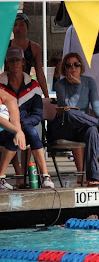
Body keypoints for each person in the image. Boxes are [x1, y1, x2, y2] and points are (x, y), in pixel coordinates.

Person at [49, 53, 99, 186]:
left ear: (81, 66)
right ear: (65, 69)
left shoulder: (89, 82)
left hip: (83, 126)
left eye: (76, 64)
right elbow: (67, 106)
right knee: (70, 113)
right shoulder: (60, 84)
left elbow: (95, 105)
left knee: (92, 131)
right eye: (69, 65)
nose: (73, 68)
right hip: (66, 127)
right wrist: (77, 85)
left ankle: (92, 177)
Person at [0, 46, 53, 190]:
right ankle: (2, 177)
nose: (14, 64)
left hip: (22, 127)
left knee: (31, 132)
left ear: (23, 62)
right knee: (17, 133)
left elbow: (37, 115)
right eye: (11, 61)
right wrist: (17, 128)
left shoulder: (33, 85)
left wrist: (20, 126)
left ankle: (45, 176)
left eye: (17, 60)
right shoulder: (0, 84)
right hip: (3, 127)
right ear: (7, 63)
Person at [9, 13, 49, 98]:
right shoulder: (5, 46)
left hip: (25, 86)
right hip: (9, 86)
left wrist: (46, 95)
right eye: (15, 25)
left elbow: (39, 73)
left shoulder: (35, 48)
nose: (17, 27)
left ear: (27, 27)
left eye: (21, 25)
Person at [0, 89, 27, 190]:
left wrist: (18, 132)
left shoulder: (7, 97)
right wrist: (17, 130)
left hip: (3, 131)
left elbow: (15, 120)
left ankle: (0, 177)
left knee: (15, 137)